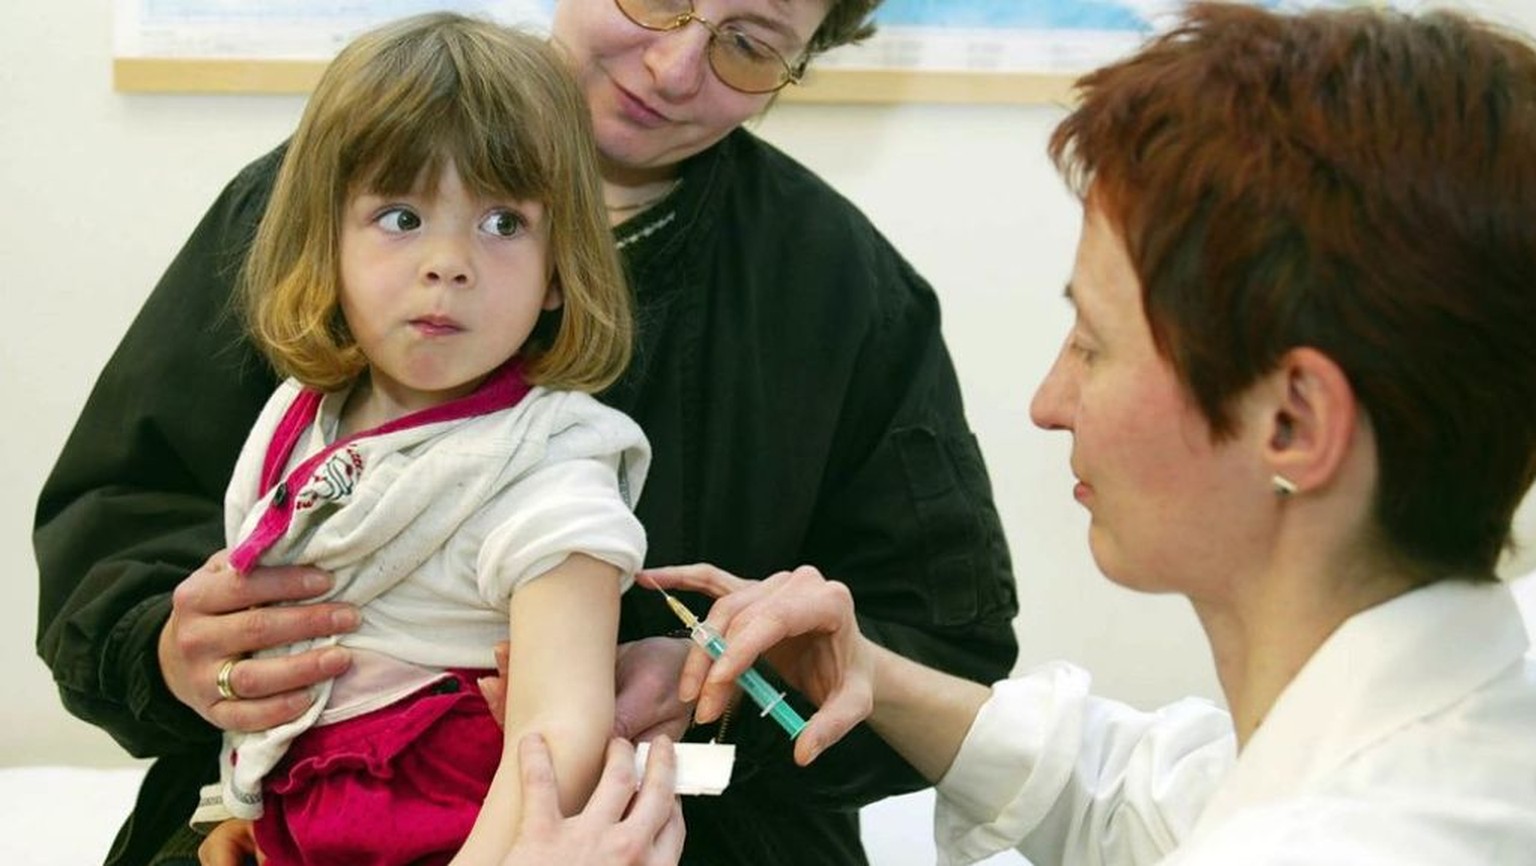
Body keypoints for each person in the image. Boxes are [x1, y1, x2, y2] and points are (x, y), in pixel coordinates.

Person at [33, 0, 1021, 864]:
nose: (675, 68)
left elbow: (942, 655)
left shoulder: (843, 293)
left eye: (749, 45)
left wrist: (732, 691)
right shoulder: (307, 201)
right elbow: (118, 524)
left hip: (700, 821)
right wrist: (166, 647)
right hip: (298, 795)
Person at [639, 3, 1536, 864]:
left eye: (1093, 346)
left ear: (1295, 422)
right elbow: (1137, 797)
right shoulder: (1452, 717)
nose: (1047, 401)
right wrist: (869, 672)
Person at [185, 14, 650, 866]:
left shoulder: (551, 472)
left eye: (503, 223)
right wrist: (246, 806)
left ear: (561, 270)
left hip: (466, 834)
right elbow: (291, 653)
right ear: (325, 242)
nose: (449, 263)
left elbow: (563, 729)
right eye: (401, 217)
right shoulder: (300, 414)